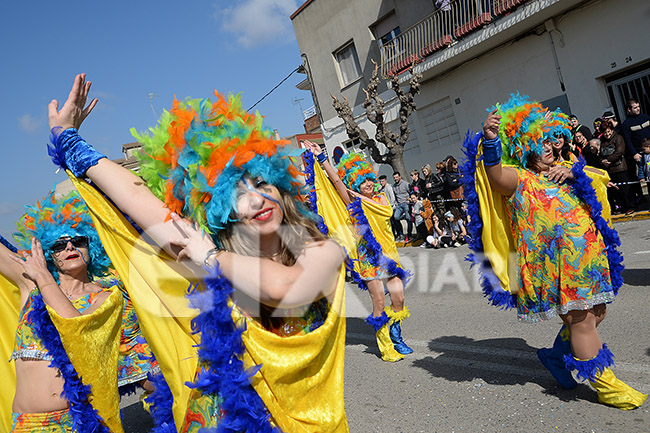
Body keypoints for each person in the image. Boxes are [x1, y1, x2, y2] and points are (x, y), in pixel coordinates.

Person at [47, 74, 349, 431]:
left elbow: (285, 289)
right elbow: (137, 199)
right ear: (217, 208)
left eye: (262, 182)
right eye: (236, 192)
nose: (256, 199)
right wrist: (69, 139)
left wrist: (209, 258)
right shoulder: (209, 249)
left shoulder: (324, 250)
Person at [462, 93, 646, 410]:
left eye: (549, 140)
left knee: (596, 314)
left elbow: (595, 189)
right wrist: (491, 140)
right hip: (558, 269)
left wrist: (575, 174)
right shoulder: (518, 179)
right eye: (538, 142)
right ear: (522, 147)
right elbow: (495, 175)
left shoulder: (564, 170)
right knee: (582, 322)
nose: (547, 146)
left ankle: (556, 358)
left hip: (588, 263)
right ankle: (606, 386)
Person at [1, 191, 124, 433]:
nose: (69, 246)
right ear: (49, 253)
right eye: (58, 244)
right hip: (24, 424)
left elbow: (75, 326)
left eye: (78, 241)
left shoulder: (107, 297)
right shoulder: (31, 285)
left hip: (74, 423)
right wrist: (39, 277)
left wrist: (43, 276)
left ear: (92, 246)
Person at [304, 143, 412, 362]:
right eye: (363, 181)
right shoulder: (352, 203)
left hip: (390, 256)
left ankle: (396, 333)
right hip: (369, 259)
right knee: (380, 301)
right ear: (355, 183)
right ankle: (386, 346)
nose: (369, 184)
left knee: (398, 296)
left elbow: (388, 211)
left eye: (370, 179)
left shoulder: (381, 200)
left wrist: (360, 195)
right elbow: (335, 181)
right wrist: (322, 158)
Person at [599, 119, 633, 214]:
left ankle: (630, 206)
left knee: (625, 189)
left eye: (608, 131)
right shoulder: (602, 142)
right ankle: (622, 206)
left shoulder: (618, 138)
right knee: (616, 191)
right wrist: (603, 161)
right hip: (610, 169)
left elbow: (619, 152)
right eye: (605, 132)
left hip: (620, 167)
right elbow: (600, 154)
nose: (607, 134)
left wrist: (609, 160)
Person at [392, 171, 412, 241]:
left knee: (408, 219)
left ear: (400, 177)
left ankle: (409, 235)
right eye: (394, 178)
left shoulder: (406, 184)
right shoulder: (394, 186)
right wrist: (396, 203)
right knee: (396, 217)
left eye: (397, 177)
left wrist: (409, 200)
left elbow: (411, 193)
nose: (395, 179)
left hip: (406, 203)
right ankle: (401, 234)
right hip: (399, 205)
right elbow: (395, 196)